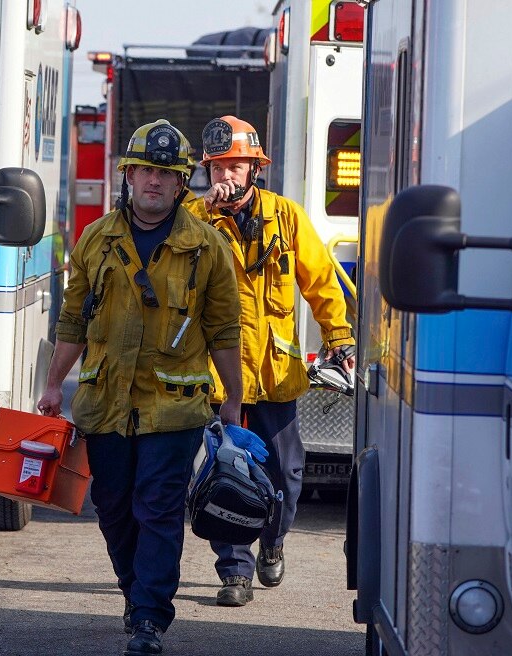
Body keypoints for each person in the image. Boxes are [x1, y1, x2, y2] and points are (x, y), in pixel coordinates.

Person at [36, 118, 243, 656]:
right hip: (106, 405)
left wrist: (236, 406)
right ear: (128, 176)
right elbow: (72, 322)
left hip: (173, 413)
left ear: (182, 184)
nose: (154, 181)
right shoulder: (95, 240)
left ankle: (150, 617)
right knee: (114, 509)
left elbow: (224, 332)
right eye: (145, 170)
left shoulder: (208, 247)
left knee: (158, 508)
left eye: (166, 174)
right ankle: (136, 594)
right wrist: (54, 385)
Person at [182, 115, 356, 607]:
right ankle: (233, 571)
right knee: (226, 472)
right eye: (217, 169)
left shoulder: (286, 217)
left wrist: (339, 337)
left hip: (276, 375)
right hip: (219, 378)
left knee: (287, 472)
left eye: (235, 167)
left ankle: (274, 540)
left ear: (255, 168)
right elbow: (171, 263)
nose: (225, 179)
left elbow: (321, 282)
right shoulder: (193, 221)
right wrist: (198, 215)